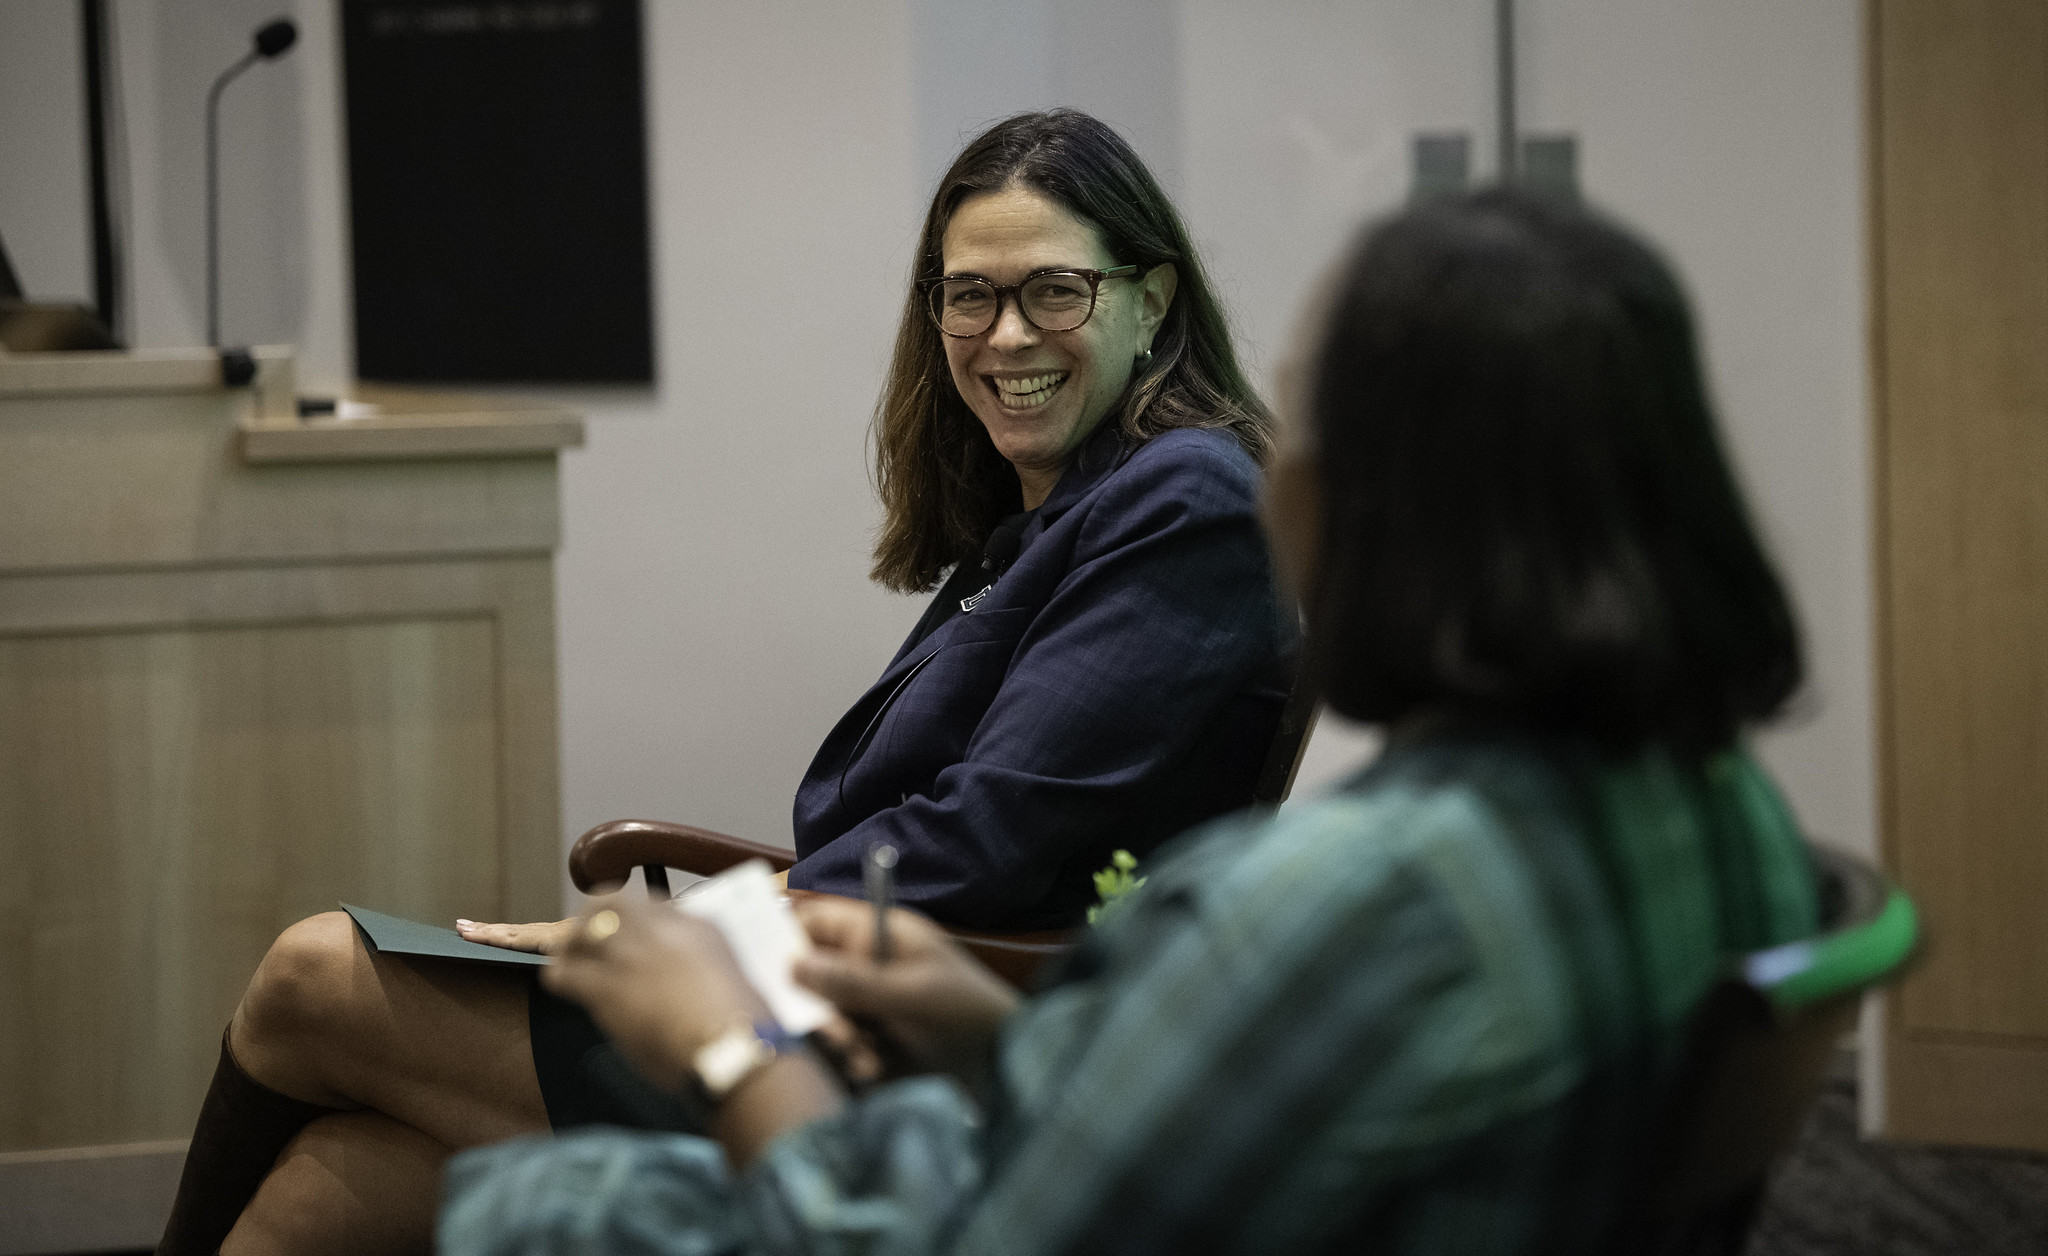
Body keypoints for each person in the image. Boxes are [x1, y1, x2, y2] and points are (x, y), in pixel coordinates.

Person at [435, 187, 1823, 1255]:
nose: (1270, 473)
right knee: (368, 1158)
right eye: (967, 300)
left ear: (1376, 510)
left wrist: (724, 1033)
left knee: (452, 1164)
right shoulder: (1720, 812)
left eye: (1313, 427)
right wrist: (999, 1035)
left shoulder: (1368, 898)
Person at [154, 109, 1289, 1256]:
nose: (1003, 335)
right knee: (345, 1169)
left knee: (311, 975)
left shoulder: (1182, 493)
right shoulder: (1059, 509)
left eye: (1053, 290)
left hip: (944, 1051)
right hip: (862, 992)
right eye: (968, 296)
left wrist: (700, 941)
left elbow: (988, 837)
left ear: (1151, 296)